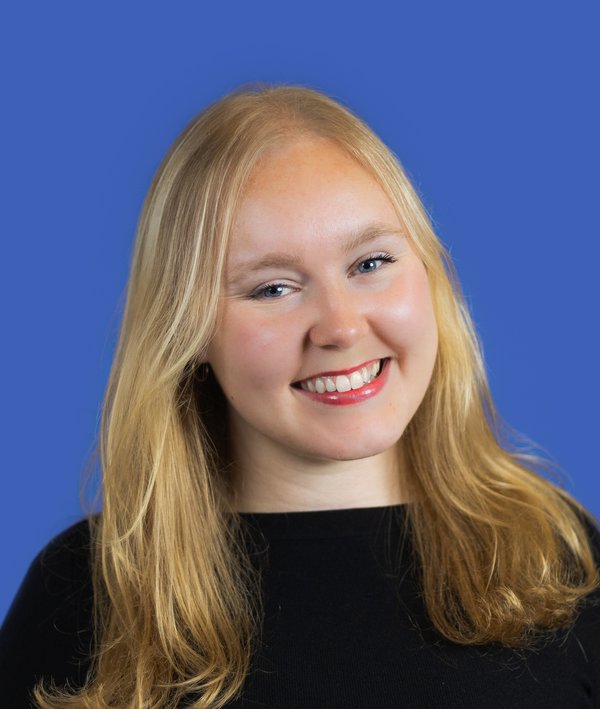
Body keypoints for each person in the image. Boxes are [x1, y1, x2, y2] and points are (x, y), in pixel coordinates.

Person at [1, 84, 599, 708]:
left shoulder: (560, 555)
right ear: (190, 330)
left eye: (370, 263)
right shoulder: (88, 593)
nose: (340, 327)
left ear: (429, 272)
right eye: (273, 289)